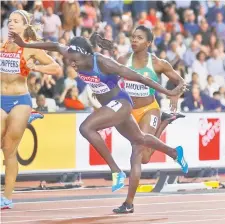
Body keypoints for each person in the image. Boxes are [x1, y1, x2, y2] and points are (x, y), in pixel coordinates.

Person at [10, 31, 189, 196]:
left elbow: (141, 78)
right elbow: (54, 45)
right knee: (139, 139)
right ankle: (175, 153)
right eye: (70, 61)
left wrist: (169, 92)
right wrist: (24, 45)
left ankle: (116, 171)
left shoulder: (103, 62)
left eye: (76, 62)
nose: (73, 65)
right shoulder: (73, 53)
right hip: (110, 106)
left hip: (122, 102)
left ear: (86, 55)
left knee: (86, 128)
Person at [114, 25, 186, 213]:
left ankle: (128, 203)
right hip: (128, 113)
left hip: (148, 109)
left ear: (148, 42)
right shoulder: (122, 60)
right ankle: (164, 122)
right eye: (132, 37)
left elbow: (180, 82)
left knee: (137, 153)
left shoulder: (157, 63)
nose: (134, 40)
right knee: (145, 158)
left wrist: (174, 95)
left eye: (138, 38)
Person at [1, 10, 62, 210]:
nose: (11, 24)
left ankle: (6, 197)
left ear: (25, 26)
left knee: (9, 149)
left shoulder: (30, 48)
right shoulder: (1, 45)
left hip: (20, 100)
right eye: (9, 21)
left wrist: (35, 68)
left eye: (16, 21)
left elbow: (56, 68)